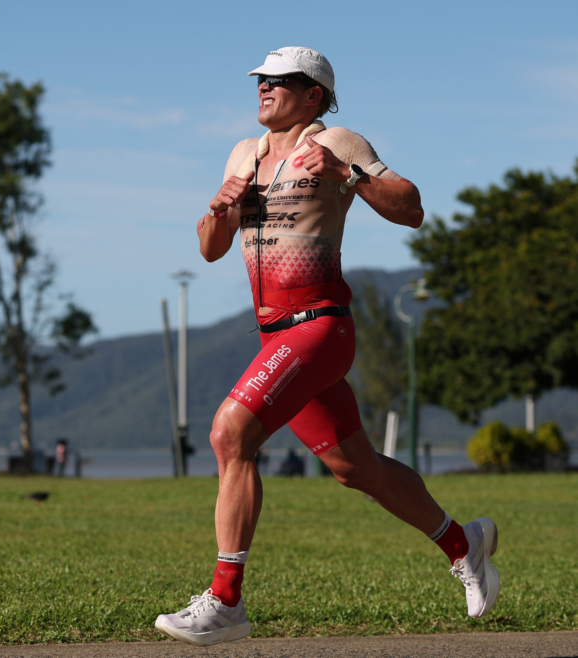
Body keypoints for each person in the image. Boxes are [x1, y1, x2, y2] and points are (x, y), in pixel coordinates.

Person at [154, 48, 499, 646]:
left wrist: (349, 176)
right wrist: (221, 207)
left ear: (312, 93)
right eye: (259, 81)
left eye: (277, 82)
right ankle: (463, 544)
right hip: (274, 335)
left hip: (320, 326)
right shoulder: (245, 153)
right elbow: (211, 247)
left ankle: (227, 602)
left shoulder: (338, 140)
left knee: (229, 433)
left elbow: (412, 208)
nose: (262, 89)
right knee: (353, 466)